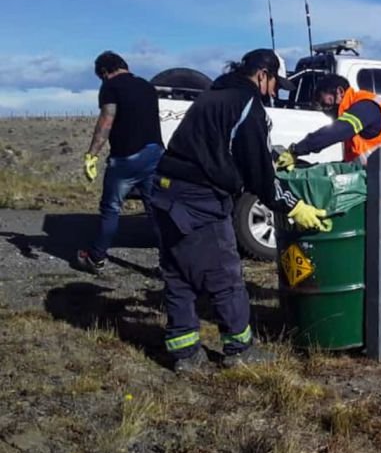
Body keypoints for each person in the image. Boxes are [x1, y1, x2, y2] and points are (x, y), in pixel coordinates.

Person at [152, 48, 327, 373]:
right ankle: (239, 349)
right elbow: (260, 177)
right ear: (262, 75)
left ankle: (185, 353)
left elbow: (218, 147)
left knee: (179, 275)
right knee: (225, 276)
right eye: (275, 83)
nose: (275, 92)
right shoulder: (247, 106)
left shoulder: (212, 96)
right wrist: (293, 205)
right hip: (198, 200)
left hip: (165, 190)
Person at [278, 74, 381, 337]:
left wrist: (298, 149)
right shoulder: (353, 114)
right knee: (377, 255)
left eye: (325, 98)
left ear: (340, 92)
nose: (323, 106)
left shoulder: (365, 108)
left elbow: (338, 131)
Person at [76, 51, 164, 274]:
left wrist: (91, 155)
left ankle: (96, 258)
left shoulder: (110, 87)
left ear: (105, 71)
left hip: (126, 158)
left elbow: (106, 122)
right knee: (156, 210)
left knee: (111, 209)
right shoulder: (147, 86)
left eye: (101, 76)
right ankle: (169, 264)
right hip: (155, 153)